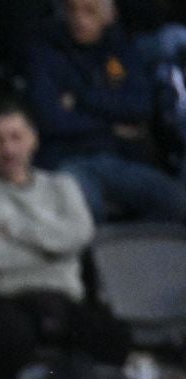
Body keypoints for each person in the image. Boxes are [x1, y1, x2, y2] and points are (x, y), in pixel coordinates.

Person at [0, 104, 129, 379]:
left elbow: (79, 234)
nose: (8, 149)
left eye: (16, 137)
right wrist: (51, 252)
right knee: (9, 335)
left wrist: (11, 230)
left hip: (59, 296)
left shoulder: (61, 186)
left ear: (34, 140)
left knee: (111, 334)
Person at [26, 0, 186, 225]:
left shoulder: (121, 48)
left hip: (119, 159)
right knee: (86, 208)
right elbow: (51, 119)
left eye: (89, 11)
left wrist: (81, 97)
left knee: (176, 202)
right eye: (73, 10)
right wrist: (111, 126)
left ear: (109, 15)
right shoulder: (45, 51)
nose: (79, 19)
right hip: (67, 159)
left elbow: (140, 107)